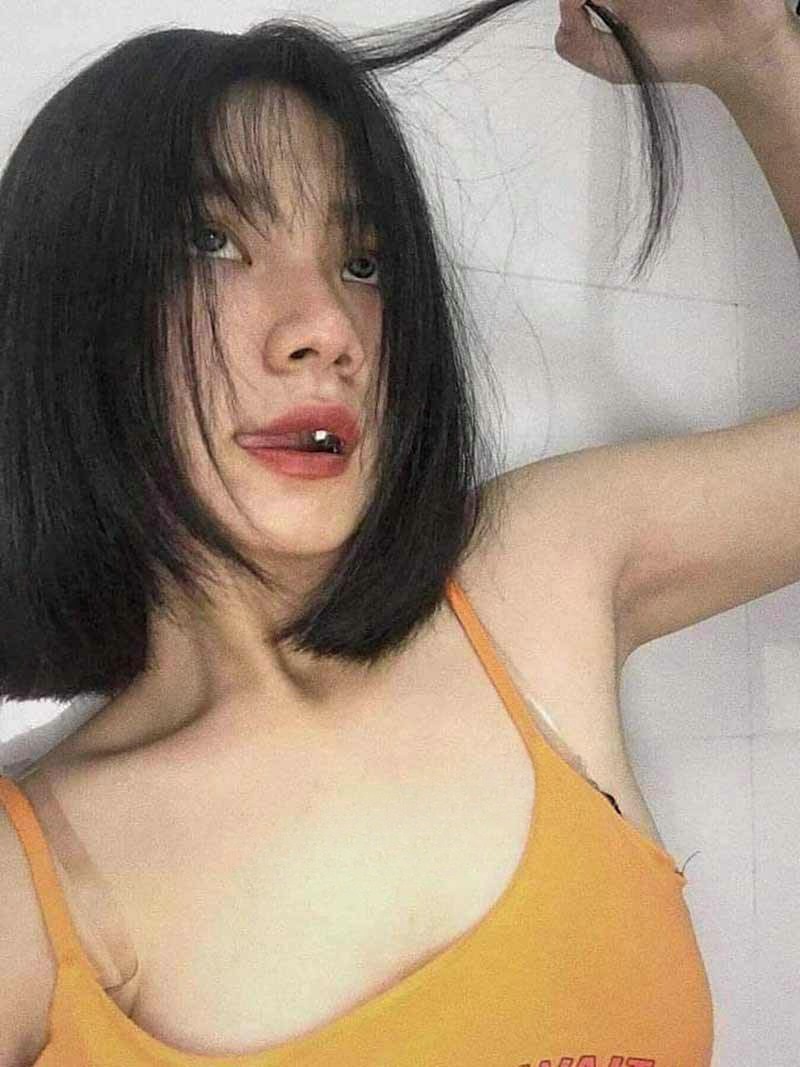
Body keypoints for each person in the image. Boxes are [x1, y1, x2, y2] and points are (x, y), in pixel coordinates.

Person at [0, 1, 796, 1063]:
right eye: (213, 242)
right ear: (65, 306)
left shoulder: (531, 573)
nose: (327, 328)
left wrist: (758, 57)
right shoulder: (26, 882)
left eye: (363, 263)